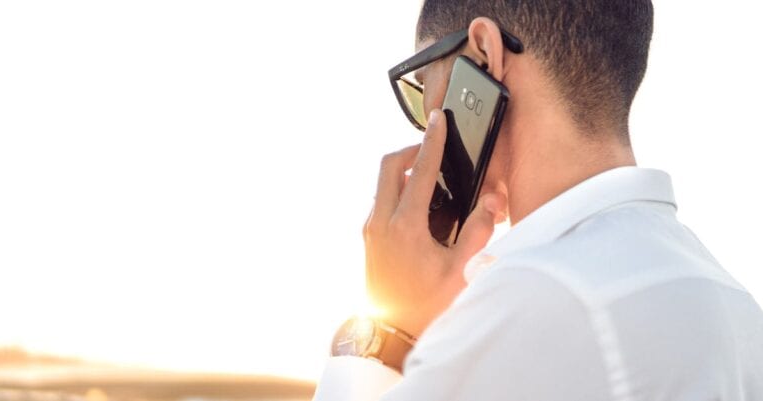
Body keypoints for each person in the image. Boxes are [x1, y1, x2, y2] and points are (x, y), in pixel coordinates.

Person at [313, 1, 763, 400]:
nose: (424, 121)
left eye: (425, 86)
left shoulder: (535, 300)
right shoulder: (736, 305)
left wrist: (389, 333)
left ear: (484, 57)